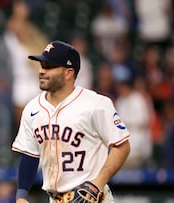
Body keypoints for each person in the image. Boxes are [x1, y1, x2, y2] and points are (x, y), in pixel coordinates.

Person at [11, 40, 131, 203]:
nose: (41, 71)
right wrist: (21, 196)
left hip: (92, 199)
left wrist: (98, 183)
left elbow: (122, 146)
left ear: (68, 73)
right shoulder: (32, 109)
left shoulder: (96, 104)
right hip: (55, 199)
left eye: (49, 66)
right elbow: (29, 155)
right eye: (41, 65)